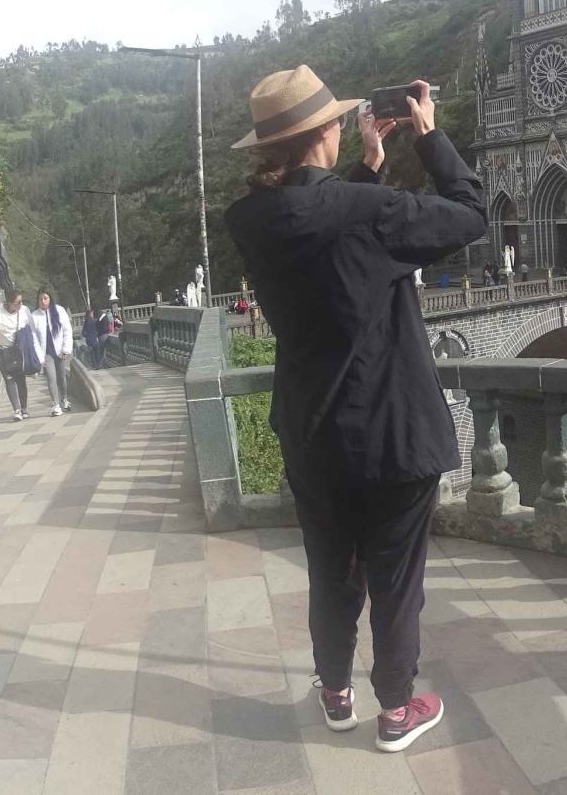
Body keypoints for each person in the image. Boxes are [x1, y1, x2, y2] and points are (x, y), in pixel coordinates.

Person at [224, 67, 485, 753]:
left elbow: (329, 240)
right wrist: (428, 138)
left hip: (313, 435)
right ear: (324, 134)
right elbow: (469, 213)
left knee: (331, 570)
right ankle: (397, 708)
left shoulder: (251, 220)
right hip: (392, 434)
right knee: (396, 580)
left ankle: (335, 690)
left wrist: (366, 166)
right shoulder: (369, 214)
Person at [0, 288, 37, 421]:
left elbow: (32, 328)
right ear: (9, 302)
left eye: (21, 302)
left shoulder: (25, 311)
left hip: (18, 350)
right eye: (17, 303)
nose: (20, 305)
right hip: (4, 350)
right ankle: (17, 410)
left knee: (20, 379)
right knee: (9, 379)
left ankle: (24, 408)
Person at [30, 290, 73, 414]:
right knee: (51, 378)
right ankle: (56, 405)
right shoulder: (35, 315)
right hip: (46, 352)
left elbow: (67, 330)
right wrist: (39, 357)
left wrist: (66, 349)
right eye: (40, 299)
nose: (43, 301)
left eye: (45, 298)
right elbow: (34, 338)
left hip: (59, 350)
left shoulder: (59, 311)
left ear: (50, 299)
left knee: (61, 377)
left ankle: (64, 399)